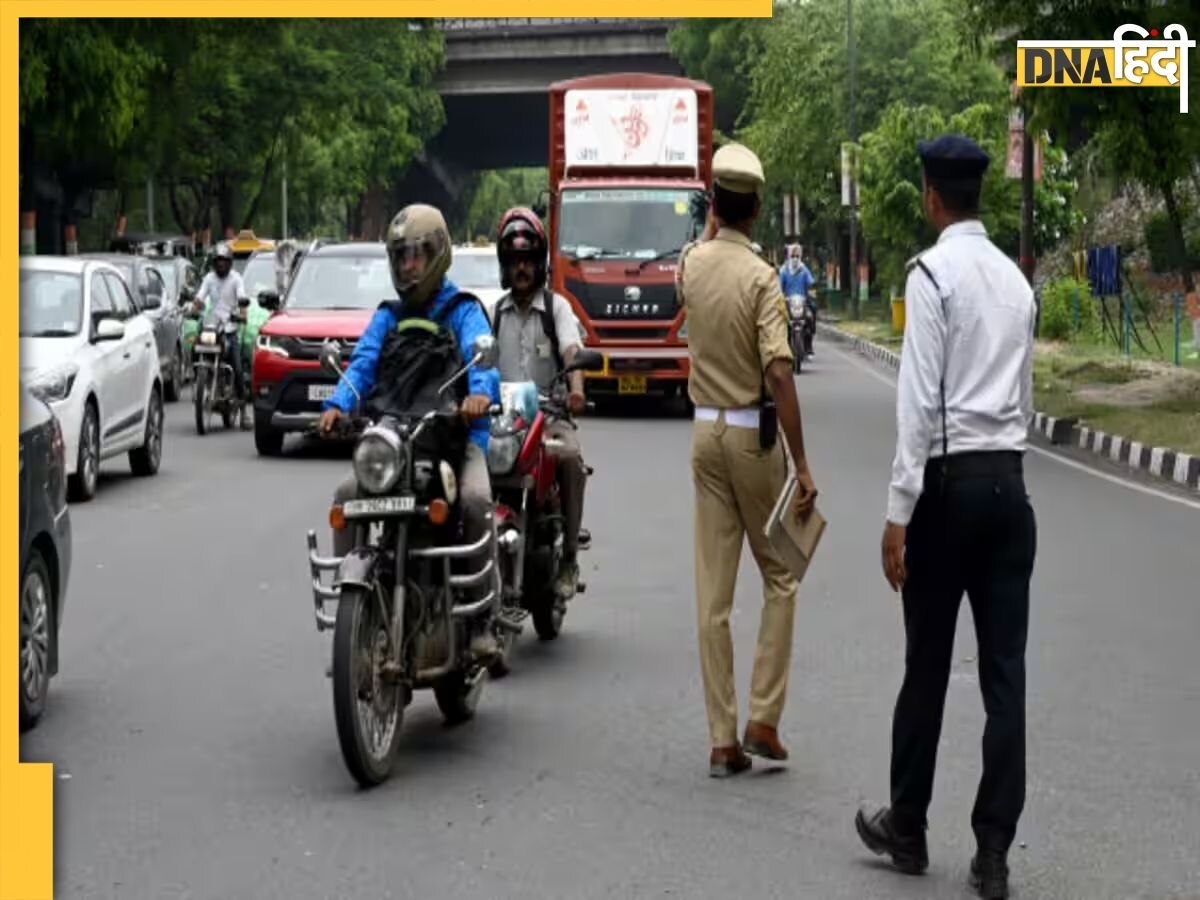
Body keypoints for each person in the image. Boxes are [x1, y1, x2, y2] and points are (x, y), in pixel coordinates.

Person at [853, 134, 1037, 900]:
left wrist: (899, 515)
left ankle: (909, 826)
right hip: (1010, 491)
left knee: (926, 664)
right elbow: (1024, 400)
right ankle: (992, 853)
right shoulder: (1016, 285)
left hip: (947, 490)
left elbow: (919, 404)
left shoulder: (932, 277)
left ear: (931, 196)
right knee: (1005, 679)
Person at [677, 143, 819, 778]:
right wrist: (803, 463)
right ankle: (763, 718)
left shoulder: (690, 264)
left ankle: (721, 740)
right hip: (751, 439)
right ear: (759, 209)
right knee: (781, 575)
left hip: (704, 435)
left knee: (714, 595)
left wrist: (712, 225)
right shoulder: (763, 278)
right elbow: (780, 374)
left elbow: (702, 256)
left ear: (714, 205)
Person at [318, 204, 502, 658]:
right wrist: (338, 404)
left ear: (437, 255)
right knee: (346, 496)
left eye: (418, 255)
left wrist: (477, 396)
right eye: (402, 257)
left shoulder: (461, 310)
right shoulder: (388, 316)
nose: (409, 265)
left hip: (453, 441)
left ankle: (482, 621)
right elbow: (362, 364)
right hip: (397, 443)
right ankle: (355, 606)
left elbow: (484, 361)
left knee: (477, 502)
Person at [489, 207, 590, 600]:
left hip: (548, 419)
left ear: (540, 262)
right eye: (515, 261)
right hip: (505, 424)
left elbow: (571, 349)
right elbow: (479, 364)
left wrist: (576, 388)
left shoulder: (556, 308)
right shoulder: (495, 313)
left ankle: (567, 559)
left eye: (529, 261)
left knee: (570, 460)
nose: (522, 269)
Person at [192, 241, 250, 409]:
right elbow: (200, 297)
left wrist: (242, 314)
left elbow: (241, 299)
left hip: (230, 329)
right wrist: (193, 308)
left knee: (238, 369)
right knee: (195, 350)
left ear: (230, 262)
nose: (221, 263)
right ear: (214, 262)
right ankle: (202, 385)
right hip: (211, 326)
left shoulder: (236, 279)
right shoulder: (209, 278)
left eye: (224, 260)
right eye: (218, 260)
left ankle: (243, 408)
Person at [780, 245, 816, 358]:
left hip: (802, 303)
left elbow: (811, 283)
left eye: (797, 255)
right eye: (792, 255)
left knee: (810, 317)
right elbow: (779, 286)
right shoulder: (784, 271)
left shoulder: (804, 270)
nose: (795, 258)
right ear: (788, 256)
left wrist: (812, 293)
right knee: (780, 321)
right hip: (787, 303)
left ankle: (809, 346)